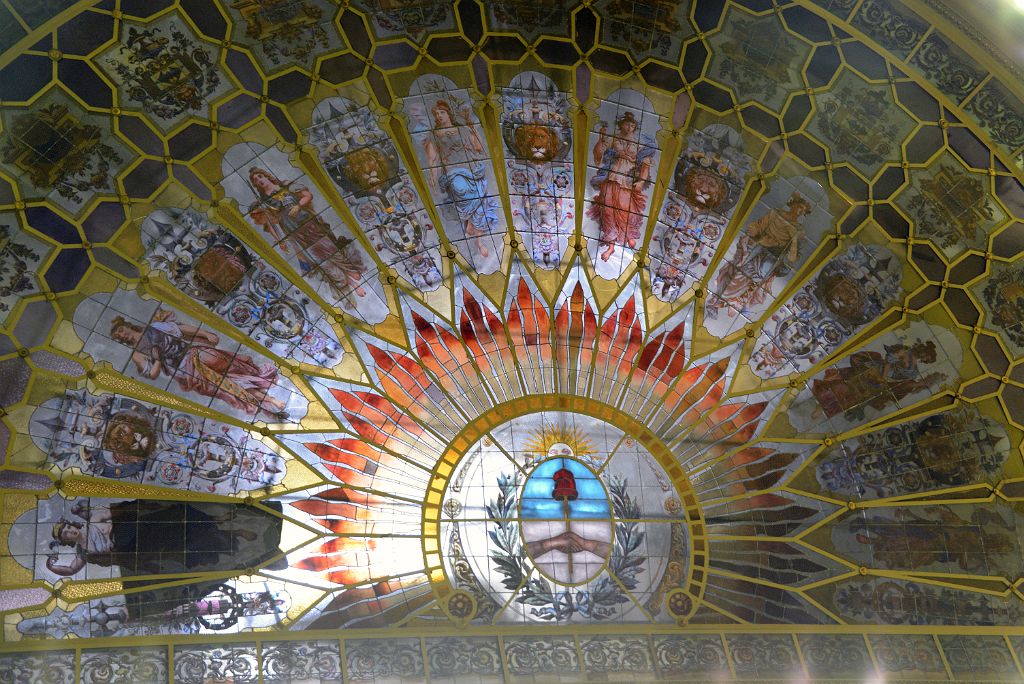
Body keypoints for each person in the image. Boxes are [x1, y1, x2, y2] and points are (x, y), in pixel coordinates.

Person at [110, 311, 288, 420]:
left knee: (224, 366)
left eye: (120, 330)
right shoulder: (137, 355)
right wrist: (157, 359)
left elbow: (181, 329)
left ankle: (267, 398)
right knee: (227, 386)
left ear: (125, 325)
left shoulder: (154, 327)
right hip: (183, 369)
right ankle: (268, 401)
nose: (122, 335)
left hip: (191, 352)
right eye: (119, 336)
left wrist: (205, 333)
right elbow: (153, 374)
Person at [45, 498, 283, 577]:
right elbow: (71, 571)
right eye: (66, 534)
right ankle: (223, 530)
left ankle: (217, 522)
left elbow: (120, 513)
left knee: (171, 518)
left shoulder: (94, 519)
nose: (70, 531)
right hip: (131, 548)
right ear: (67, 541)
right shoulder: (83, 553)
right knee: (181, 543)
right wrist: (52, 566)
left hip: (131, 531)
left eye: (68, 527)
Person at [247, 167, 367, 304]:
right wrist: (279, 240)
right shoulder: (264, 201)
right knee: (317, 257)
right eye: (255, 180)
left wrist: (298, 206)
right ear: (255, 185)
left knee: (329, 248)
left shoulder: (285, 185)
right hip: (293, 230)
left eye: (260, 176)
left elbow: (307, 196)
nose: (259, 180)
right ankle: (350, 282)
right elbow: (270, 222)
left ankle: (348, 271)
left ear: (266, 176)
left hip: (307, 222)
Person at [708, 193, 812, 318]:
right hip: (759, 247)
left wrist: (794, 238)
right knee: (737, 273)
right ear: (793, 204)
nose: (800, 211)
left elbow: (792, 257)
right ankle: (717, 301)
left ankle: (727, 301)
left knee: (755, 278)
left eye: (804, 210)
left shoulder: (798, 230)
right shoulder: (775, 214)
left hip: (771, 257)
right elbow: (758, 226)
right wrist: (754, 230)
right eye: (800, 206)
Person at [422, 100, 499, 259]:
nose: (439, 116)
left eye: (442, 112)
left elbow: (478, 148)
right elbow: (433, 159)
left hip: (471, 170)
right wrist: (432, 177)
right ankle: (471, 229)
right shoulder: (434, 136)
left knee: (480, 205)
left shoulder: (462, 130)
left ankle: (478, 239)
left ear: (448, 113)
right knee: (461, 190)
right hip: (453, 172)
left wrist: (472, 127)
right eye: (436, 114)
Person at [809, 340, 944, 421]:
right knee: (844, 386)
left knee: (854, 399)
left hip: (882, 383)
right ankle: (820, 405)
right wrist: (882, 377)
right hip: (876, 371)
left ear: (926, 359)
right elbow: (888, 361)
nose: (924, 355)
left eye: (927, 356)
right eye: (925, 351)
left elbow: (902, 383)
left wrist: (886, 384)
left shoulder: (914, 371)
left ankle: (827, 410)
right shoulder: (905, 351)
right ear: (922, 348)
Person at [587, 111, 655, 261]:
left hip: (626, 180)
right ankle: (611, 246)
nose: (629, 127)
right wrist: (600, 138)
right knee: (608, 209)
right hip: (612, 177)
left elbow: (646, 164)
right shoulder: (614, 139)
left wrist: (641, 181)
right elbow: (599, 152)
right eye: (627, 124)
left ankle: (628, 235)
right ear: (621, 125)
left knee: (625, 209)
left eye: (632, 125)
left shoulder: (639, 144)